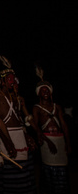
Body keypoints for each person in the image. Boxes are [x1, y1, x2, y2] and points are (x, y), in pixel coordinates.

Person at [0, 50, 39, 194]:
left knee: (25, 173)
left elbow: (23, 120)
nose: (13, 81)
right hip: (8, 135)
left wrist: (29, 136)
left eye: (14, 79)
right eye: (10, 79)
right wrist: (6, 140)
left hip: (20, 135)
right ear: (3, 81)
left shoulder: (17, 97)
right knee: (11, 173)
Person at [32, 66, 71, 194]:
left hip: (59, 140)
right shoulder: (37, 108)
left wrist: (68, 143)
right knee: (48, 171)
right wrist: (47, 141)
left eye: (47, 90)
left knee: (62, 171)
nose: (45, 92)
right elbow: (36, 127)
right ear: (39, 93)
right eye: (43, 90)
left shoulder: (57, 107)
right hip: (46, 141)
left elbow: (64, 125)